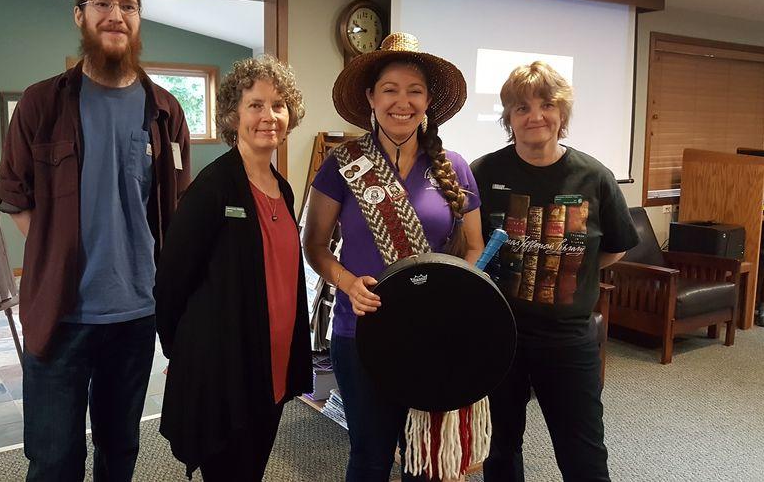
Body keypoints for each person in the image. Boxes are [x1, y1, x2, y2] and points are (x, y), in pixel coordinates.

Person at [0, 0, 191, 482]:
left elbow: (174, 208)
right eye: (103, 4)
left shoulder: (165, 110)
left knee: (120, 449)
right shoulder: (42, 103)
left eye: (128, 6)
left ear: (138, 21)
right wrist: (54, 252)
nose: (116, 15)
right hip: (60, 314)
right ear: (80, 15)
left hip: (135, 314)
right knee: (55, 458)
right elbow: (14, 193)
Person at [303, 32, 485, 481]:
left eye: (414, 91)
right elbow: (314, 245)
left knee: (424, 455)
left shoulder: (454, 165)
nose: (401, 102)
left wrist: (458, 294)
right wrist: (346, 283)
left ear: (428, 101)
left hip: (433, 331)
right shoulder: (344, 162)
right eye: (390, 89)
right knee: (369, 454)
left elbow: (476, 246)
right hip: (360, 329)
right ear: (370, 96)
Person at [471, 61, 639, 482]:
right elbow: (467, 246)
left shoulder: (594, 177)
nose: (536, 116)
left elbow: (614, 248)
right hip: (499, 335)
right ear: (508, 117)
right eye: (522, 107)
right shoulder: (483, 172)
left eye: (547, 105)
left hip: (568, 338)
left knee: (582, 451)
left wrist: (568, 270)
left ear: (562, 114)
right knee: (500, 447)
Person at [154, 55, 313, 481]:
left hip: (272, 363)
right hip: (226, 370)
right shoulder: (212, 188)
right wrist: (182, 351)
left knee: (253, 470)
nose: (269, 116)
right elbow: (170, 282)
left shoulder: (283, 188)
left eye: (278, 105)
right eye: (255, 105)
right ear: (232, 115)